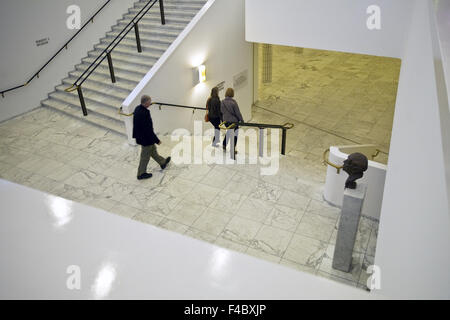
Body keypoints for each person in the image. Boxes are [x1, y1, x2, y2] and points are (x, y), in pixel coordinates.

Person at [133, 95, 171, 180]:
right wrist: (157, 140)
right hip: (146, 139)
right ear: (146, 102)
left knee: (153, 150)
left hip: (141, 137)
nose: (150, 103)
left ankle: (162, 162)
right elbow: (148, 129)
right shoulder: (145, 113)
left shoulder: (137, 109)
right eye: (149, 102)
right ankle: (141, 174)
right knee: (145, 156)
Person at [220, 88, 244, 152]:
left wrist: (223, 119)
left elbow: (221, 112)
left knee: (229, 131)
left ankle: (224, 144)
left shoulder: (222, 102)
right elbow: (237, 113)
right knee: (235, 134)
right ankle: (233, 148)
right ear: (232, 94)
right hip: (233, 122)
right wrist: (242, 120)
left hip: (225, 121)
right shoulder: (233, 102)